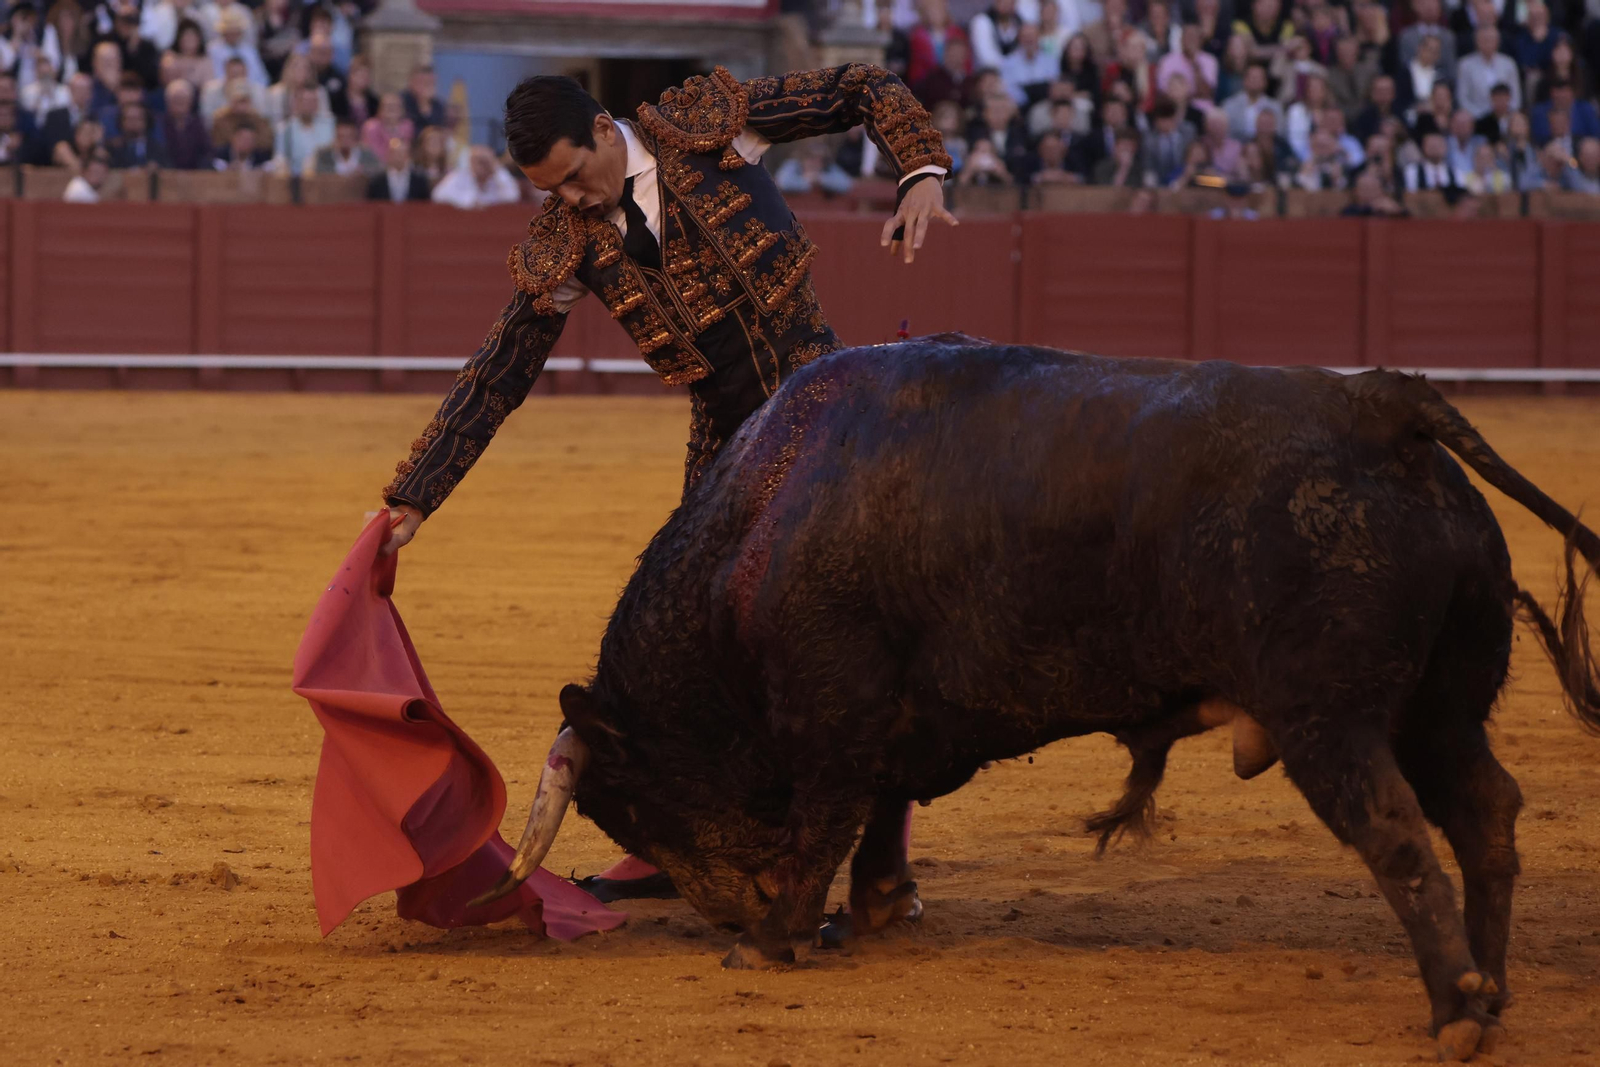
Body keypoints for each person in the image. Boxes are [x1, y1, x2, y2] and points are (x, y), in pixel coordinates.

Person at [377, 64, 953, 911]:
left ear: (606, 131)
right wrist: (413, 496)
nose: (570, 199)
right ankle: (669, 842)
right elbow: (499, 372)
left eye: (575, 175)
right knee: (685, 649)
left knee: (854, 639)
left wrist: (921, 172)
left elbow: (862, 87)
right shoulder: (566, 242)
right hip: (725, 453)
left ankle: (881, 860)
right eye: (551, 189)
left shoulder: (707, 126)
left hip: (830, 421)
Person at [430, 143, 521, 208]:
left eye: (486, 162)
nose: (483, 166)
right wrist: (469, 202)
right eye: (479, 161)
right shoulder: (459, 175)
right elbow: (438, 195)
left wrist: (495, 170)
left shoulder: (498, 176)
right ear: (471, 161)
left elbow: (513, 196)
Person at [366, 135, 430, 201]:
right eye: (395, 153)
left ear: (408, 155)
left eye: (402, 153)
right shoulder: (377, 181)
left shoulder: (419, 180)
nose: (399, 157)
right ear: (388, 155)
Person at [314, 115, 379, 176]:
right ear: (335, 137)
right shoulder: (324, 154)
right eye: (341, 137)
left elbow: (378, 169)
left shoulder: (366, 153)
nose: (345, 141)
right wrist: (340, 174)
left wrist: (362, 172)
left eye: (349, 137)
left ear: (355, 138)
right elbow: (319, 171)